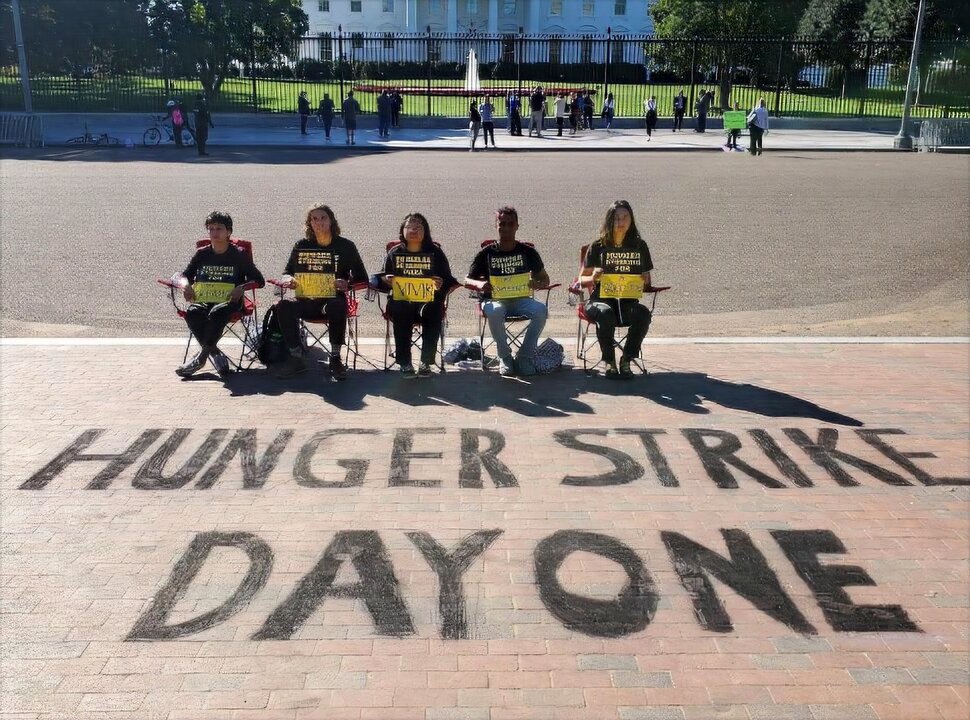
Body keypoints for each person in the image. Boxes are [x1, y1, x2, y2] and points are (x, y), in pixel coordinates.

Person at [273, 204, 368, 381]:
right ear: (309, 223)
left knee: (337, 306)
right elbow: (287, 272)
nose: (319, 222)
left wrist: (347, 283)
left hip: (330, 301)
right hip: (305, 299)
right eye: (314, 219)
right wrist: (289, 280)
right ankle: (296, 356)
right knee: (283, 305)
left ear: (331, 220)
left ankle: (335, 357)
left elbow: (362, 277)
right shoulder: (302, 245)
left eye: (323, 218)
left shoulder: (346, 246)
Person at [174, 211, 265, 378]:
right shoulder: (202, 253)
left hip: (230, 301)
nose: (214, 233)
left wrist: (242, 288)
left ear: (228, 232)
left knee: (217, 312)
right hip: (204, 299)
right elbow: (184, 275)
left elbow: (259, 280)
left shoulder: (238, 254)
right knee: (193, 312)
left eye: (219, 229)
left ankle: (201, 357)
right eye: (211, 229)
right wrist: (186, 286)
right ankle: (215, 354)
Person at [464, 206, 550, 377]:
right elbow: (467, 280)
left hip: (521, 299)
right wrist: (479, 285)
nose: (506, 228)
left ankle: (524, 356)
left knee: (541, 311)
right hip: (495, 300)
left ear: (517, 226)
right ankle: (504, 356)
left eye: (510, 224)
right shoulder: (486, 253)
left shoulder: (528, 252)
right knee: (495, 311)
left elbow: (545, 279)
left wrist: (536, 283)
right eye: (502, 224)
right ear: (496, 226)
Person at [579, 200, 654, 379]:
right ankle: (610, 361)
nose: (621, 222)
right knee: (605, 313)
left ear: (631, 219)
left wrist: (645, 280)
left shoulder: (639, 246)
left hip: (627, 300)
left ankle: (627, 358)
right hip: (600, 300)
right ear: (609, 221)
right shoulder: (598, 246)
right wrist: (593, 277)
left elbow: (646, 284)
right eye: (616, 218)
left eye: (625, 217)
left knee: (643, 313)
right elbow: (581, 280)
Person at [383, 213, 457, 378]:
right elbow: (379, 278)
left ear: (426, 232)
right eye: (409, 227)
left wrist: (440, 284)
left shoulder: (435, 252)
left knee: (434, 309)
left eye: (418, 227)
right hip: (402, 301)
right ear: (402, 230)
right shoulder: (395, 253)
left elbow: (449, 280)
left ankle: (425, 362)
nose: (413, 230)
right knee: (401, 307)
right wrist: (386, 279)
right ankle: (404, 362)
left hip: (428, 301)